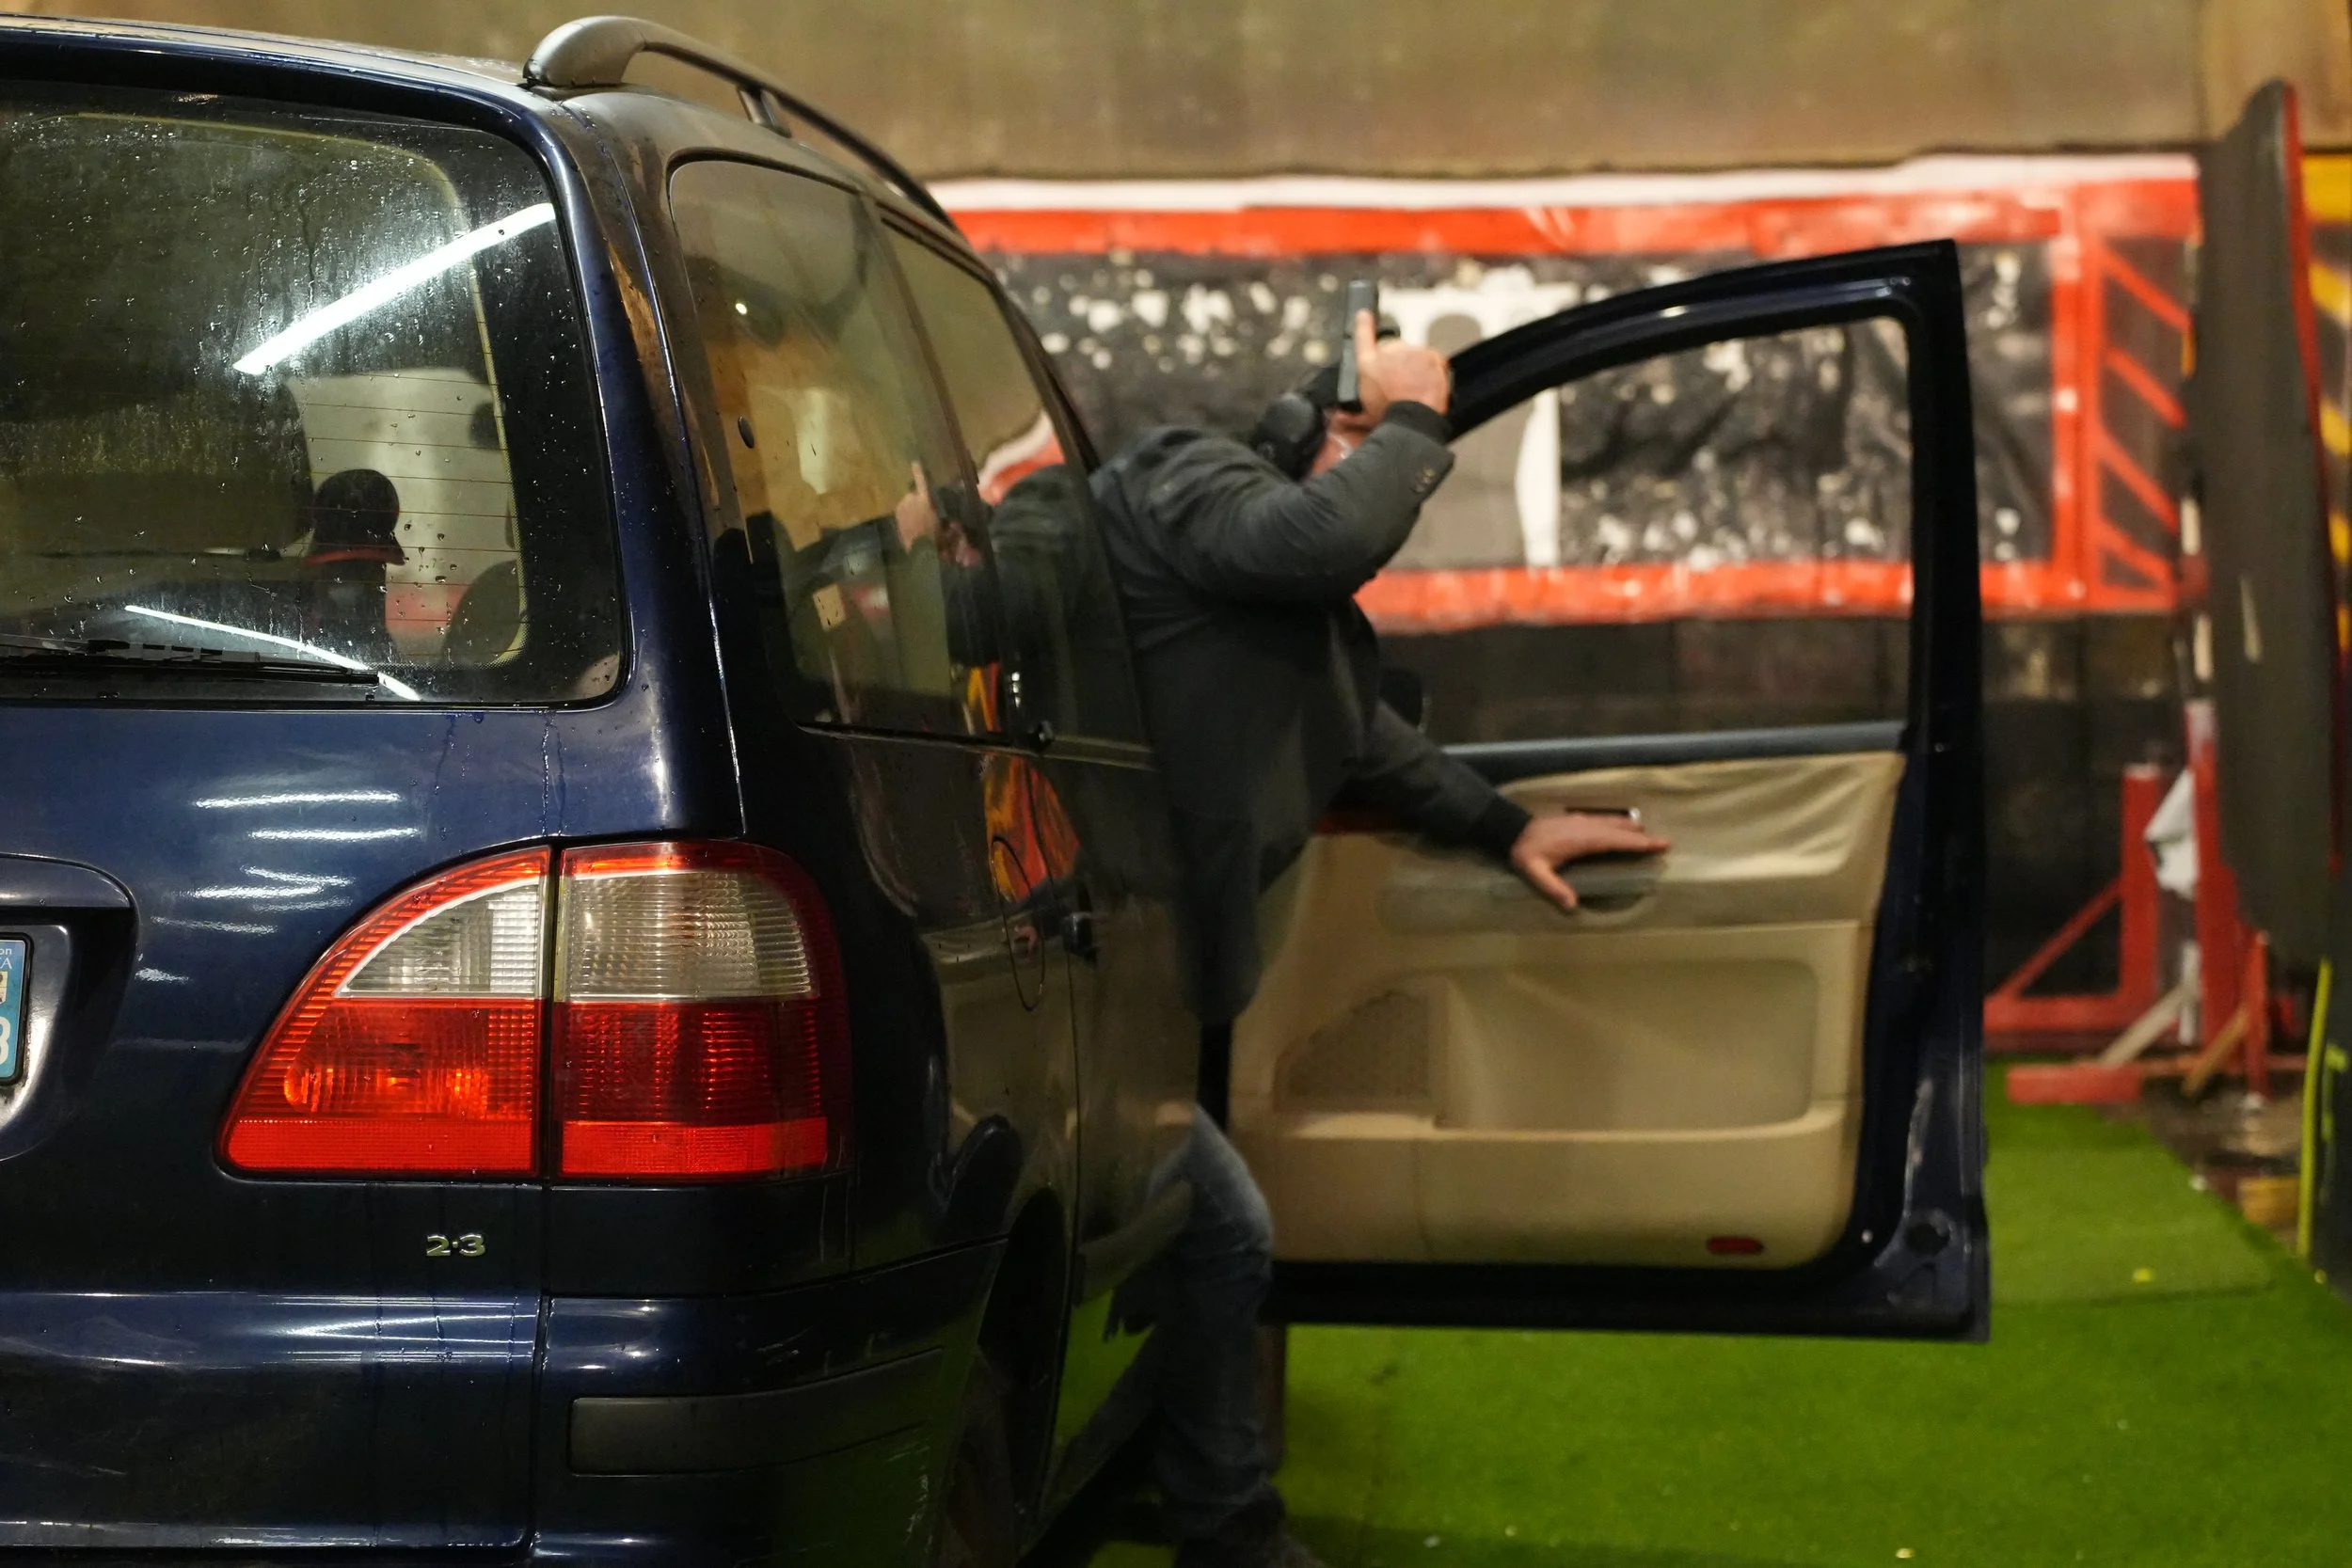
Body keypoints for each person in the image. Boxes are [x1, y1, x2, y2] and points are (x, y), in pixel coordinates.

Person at [1087, 311, 1668, 1567]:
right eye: (1357, 436)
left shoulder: (1307, 634)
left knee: (1186, 1240)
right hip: (1082, 965)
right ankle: (1228, 1528)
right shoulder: (1189, 477)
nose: (1378, 472)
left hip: (1160, 985)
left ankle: (1163, 1477)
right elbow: (1318, 536)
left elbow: (1371, 745)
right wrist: (1412, 412)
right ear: (1302, 427)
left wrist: (1510, 825)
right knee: (1222, 1231)